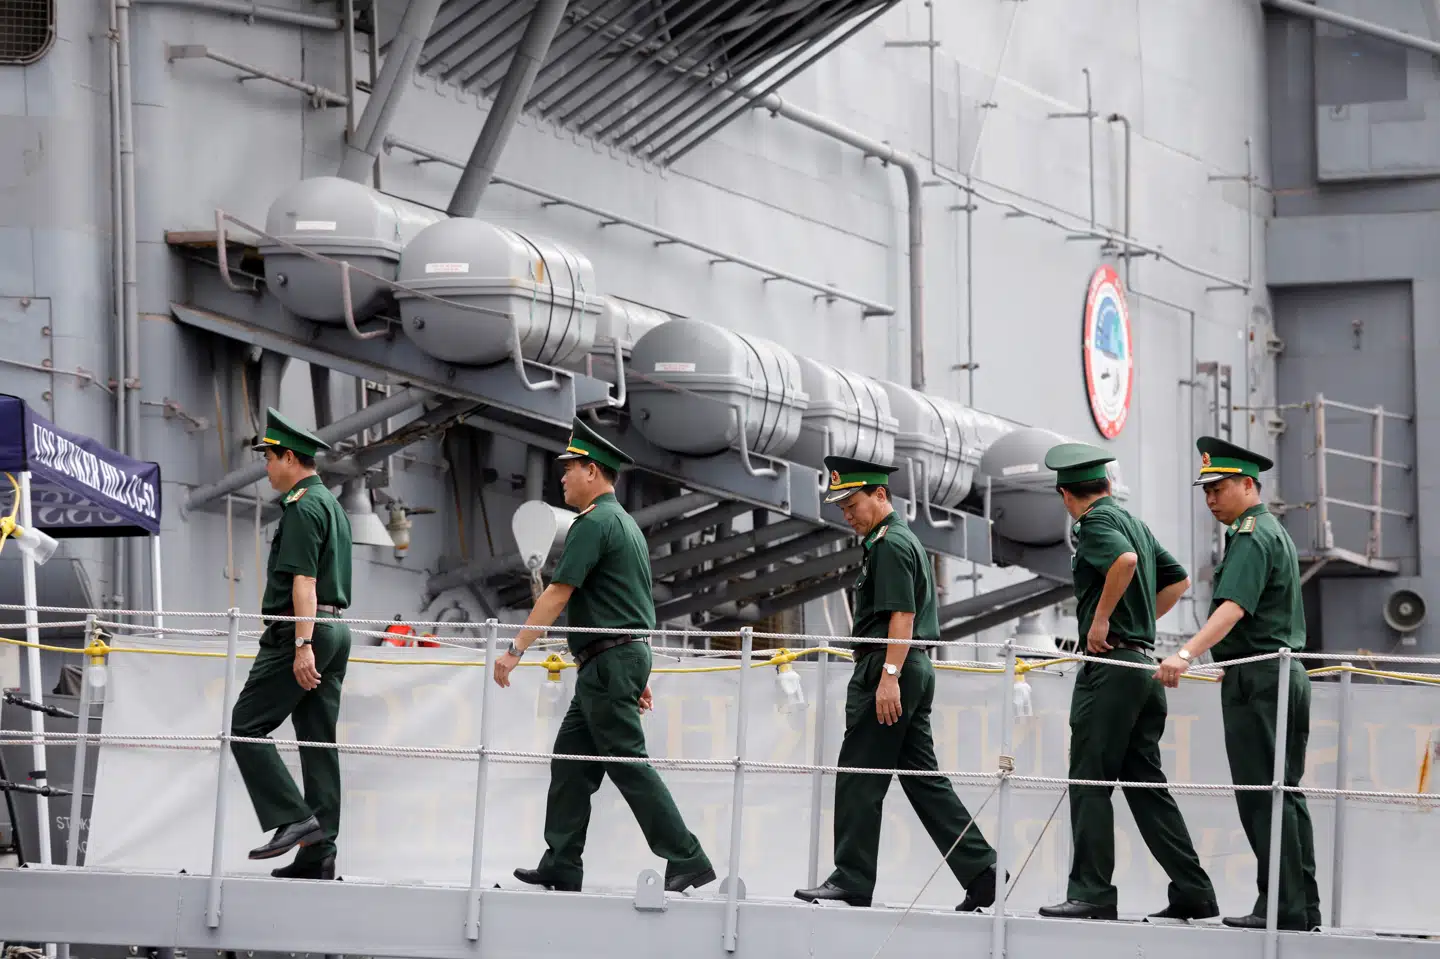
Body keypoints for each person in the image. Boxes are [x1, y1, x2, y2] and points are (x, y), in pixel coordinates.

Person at [494, 417, 714, 894]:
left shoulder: (593, 523)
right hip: (612, 660)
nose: (563, 477)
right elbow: (632, 601)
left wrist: (515, 648)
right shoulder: (625, 524)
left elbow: (558, 592)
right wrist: (635, 669)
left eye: (569, 468)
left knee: (627, 762)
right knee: (571, 762)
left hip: (609, 661)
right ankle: (562, 863)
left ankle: (687, 857)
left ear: (592, 471)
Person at [795, 456, 1000, 911]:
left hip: (890, 666)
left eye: (852, 504)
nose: (847, 515)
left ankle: (852, 878)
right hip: (910, 666)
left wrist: (888, 677)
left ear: (880, 494)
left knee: (859, 776)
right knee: (923, 779)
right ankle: (980, 868)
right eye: (842, 508)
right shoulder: (897, 541)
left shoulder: (889, 545)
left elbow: (901, 615)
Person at [1036, 443, 1216, 922]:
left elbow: (1125, 562)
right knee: (1145, 785)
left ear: (1066, 495)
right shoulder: (1134, 521)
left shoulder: (1093, 522)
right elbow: (1178, 582)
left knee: (1090, 780)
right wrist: (1139, 623)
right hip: (1142, 667)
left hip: (1111, 669)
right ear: (1107, 484)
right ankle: (1194, 891)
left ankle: (1092, 893)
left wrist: (1103, 620)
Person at [1155, 437, 1320, 931]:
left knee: (1264, 795)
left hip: (1261, 678)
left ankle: (1282, 908)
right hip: (1272, 672)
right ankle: (1298, 905)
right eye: (1206, 491)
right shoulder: (1271, 531)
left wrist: (1185, 654)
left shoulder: (1250, 535)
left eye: (1219, 488)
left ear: (1248, 485)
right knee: (1282, 793)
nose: (1210, 499)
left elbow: (1233, 608)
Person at [232, 407, 353, 880]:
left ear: (288, 457)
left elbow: (304, 580)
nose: (265, 467)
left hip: (304, 630)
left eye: (269, 458)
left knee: (246, 726)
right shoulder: (332, 505)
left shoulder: (302, 506)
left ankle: (293, 819)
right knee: (318, 741)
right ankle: (320, 854)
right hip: (336, 629)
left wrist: (302, 644)